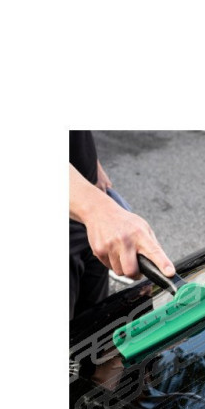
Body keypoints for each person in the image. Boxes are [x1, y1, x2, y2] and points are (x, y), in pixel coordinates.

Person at [69, 131, 175, 320]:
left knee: (94, 321)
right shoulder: (96, 211)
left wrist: (91, 162)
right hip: (85, 211)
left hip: (90, 215)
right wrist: (97, 209)